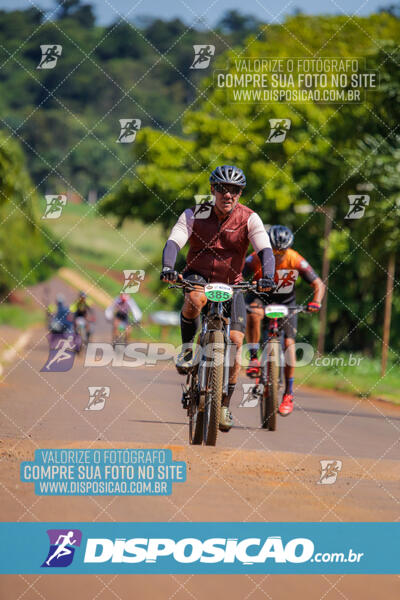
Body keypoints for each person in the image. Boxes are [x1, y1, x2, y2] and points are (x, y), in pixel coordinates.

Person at [160, 165, 275, 432]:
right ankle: (188, 348)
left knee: (235, 342)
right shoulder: (195, 213)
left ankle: (223, 404)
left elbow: (265, 250)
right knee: (196, 301)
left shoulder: (250, 218)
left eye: (234, 190)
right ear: (213, 190)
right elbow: (174, 241)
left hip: (231, 284)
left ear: (240, 193)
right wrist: (168, 267)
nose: (228, 195)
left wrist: (268, 275)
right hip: (198, 277)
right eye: (223, 189)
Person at [244, 225, 325, 416]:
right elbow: (239, 274)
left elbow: (318, 283)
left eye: (282, 251)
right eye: (274, 250)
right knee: (254, 314)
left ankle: (288, 393)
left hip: (286, 303)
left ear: (288, 248)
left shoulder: (295, 259)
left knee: (289, 344)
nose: (278, 255)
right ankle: (254, 358)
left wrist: (316, 302)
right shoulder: (256, 257)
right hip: (259, 297)